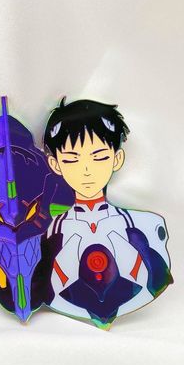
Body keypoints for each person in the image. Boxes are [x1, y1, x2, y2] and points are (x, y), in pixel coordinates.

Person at [43, 98, 173, 329]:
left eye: (99, 157)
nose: (86, 170)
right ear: (55, 164)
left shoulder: (145, 225)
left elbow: (154, 281)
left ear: (117, 158)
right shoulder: (49, 231)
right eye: (71, 159)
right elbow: (47, 289)